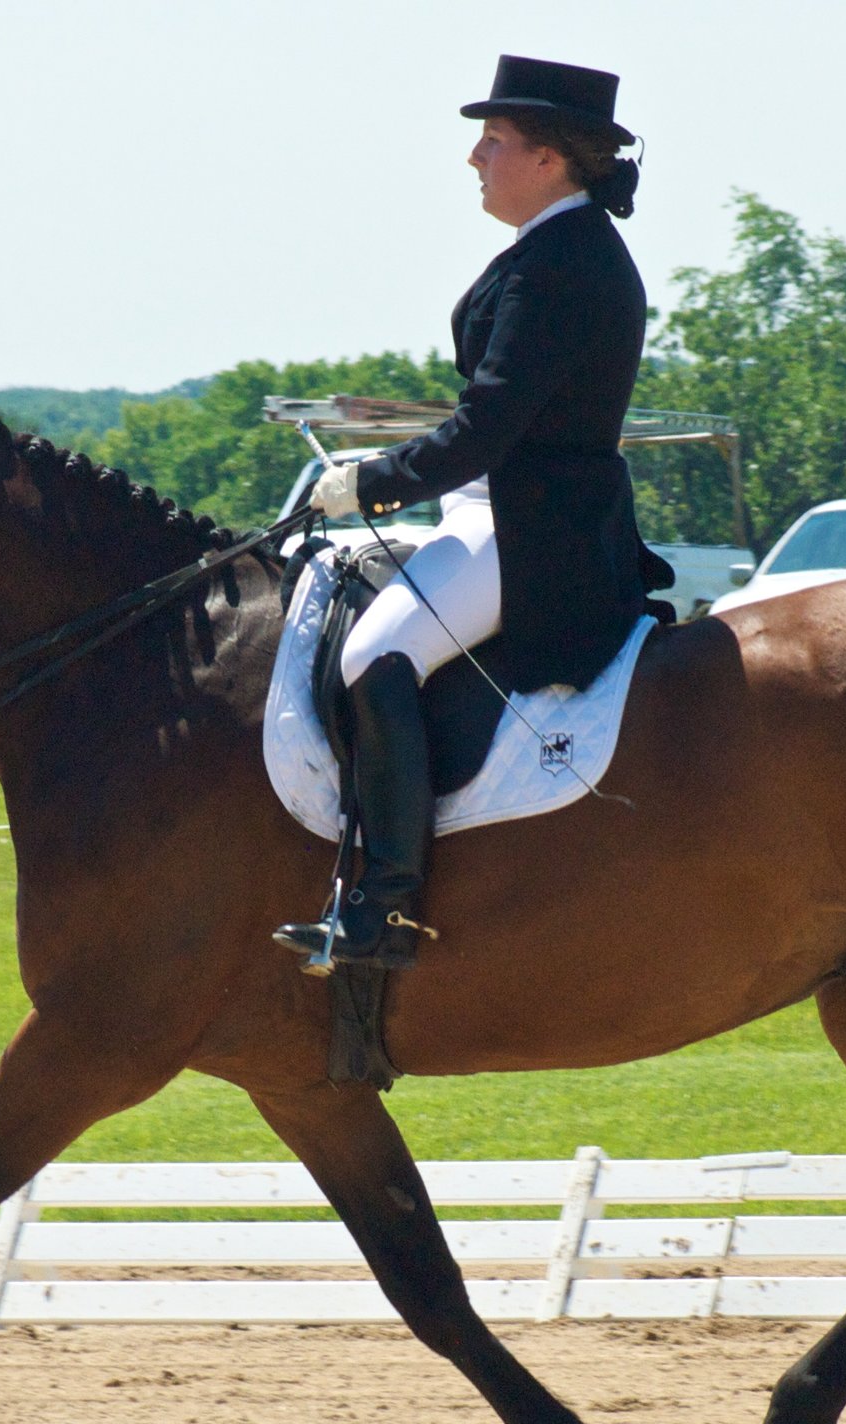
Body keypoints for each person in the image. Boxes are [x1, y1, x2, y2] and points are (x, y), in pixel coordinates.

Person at [275, 55, 666, 970]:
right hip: (496, 510)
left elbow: (488, 427)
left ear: (548, 159)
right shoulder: (556, 251)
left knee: (377, 656)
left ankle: (389, 909)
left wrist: (369, 484)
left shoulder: (560, 265)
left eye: (492, 141)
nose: (475, 158)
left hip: (529, 529)